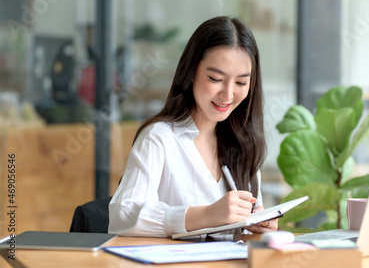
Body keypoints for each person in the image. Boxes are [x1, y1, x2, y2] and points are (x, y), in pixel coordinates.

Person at [108, 16, 278, 237]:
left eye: (241, 83)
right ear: (191, 72)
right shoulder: (159, 138)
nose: (227, 94)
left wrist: (257, 225)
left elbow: (241, 237)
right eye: (215, 78)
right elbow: (122, 216)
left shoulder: (245, 142)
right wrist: (206, 215)